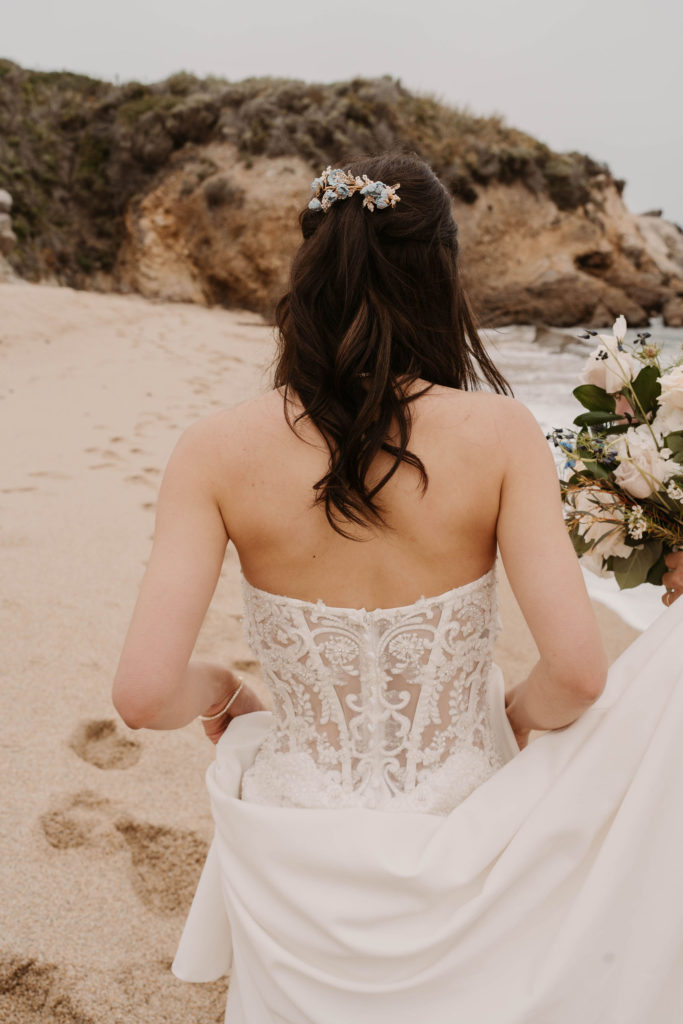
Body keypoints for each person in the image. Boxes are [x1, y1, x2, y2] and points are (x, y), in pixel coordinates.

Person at [113, 155, 683, 1024]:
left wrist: (227, 691)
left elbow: (146, 693)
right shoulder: (497, 434)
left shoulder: (213, 449)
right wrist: (507, 721)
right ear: (440, 274)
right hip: (464, 817)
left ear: (310, 270)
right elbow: (576, 673)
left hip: (293, 848)